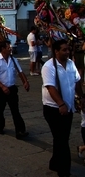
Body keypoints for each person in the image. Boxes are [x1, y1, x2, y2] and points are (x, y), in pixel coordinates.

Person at [41, 39, 85, 177]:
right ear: (56, 51)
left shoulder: (71, 64)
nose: (67, 52)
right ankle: (64, 170)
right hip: (54, 109)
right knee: (62, 140)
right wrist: (61, 104)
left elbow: (77, 81)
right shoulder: (49, 66)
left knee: (60, 138)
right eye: (64, 50)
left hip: (68, 107)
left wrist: (82, 97)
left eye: (68, 49)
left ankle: (54, 163)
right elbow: (50, 87)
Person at [0, 40, 30, 139]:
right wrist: (2, 87)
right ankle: (0, 126)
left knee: (15, 110)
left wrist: (25, 81)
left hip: (11, 89)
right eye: (8, 47)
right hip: (0, 89)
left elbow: (20, 71)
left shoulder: (13, 60)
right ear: (2, 49)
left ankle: (20, 130)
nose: (10, 49)